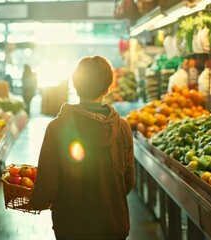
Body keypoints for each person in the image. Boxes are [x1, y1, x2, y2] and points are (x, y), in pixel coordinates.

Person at [30, 56, 135, 240]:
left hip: (71, 226)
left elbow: (48, 181)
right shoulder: (122, 128)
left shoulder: (57, 127)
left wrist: (37, 200)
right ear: (107, 88)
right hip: (112, 224)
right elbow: (127, 181)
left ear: (75, 85)